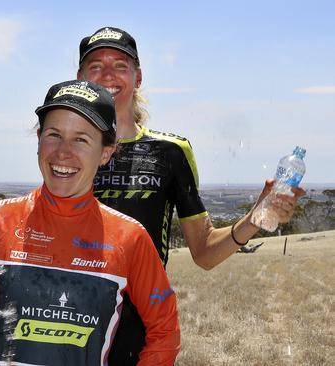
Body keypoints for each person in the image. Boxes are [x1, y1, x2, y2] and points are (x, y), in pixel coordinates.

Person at [0, 80, 181, 365]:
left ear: (106, 152)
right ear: (38, 140)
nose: (63, 152)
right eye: (54, 135)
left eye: (81, 139)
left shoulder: (130, 238)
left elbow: (165, 330)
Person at [76, 26, 306, 365]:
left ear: (138, 77)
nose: (108, 74)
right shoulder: (67, 148)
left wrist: (257, 217)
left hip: (142, 331)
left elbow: (205, 253)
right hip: (65, 319)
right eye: (96, 66)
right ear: (80, 77)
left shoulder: (171, 151)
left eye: (120, 65)